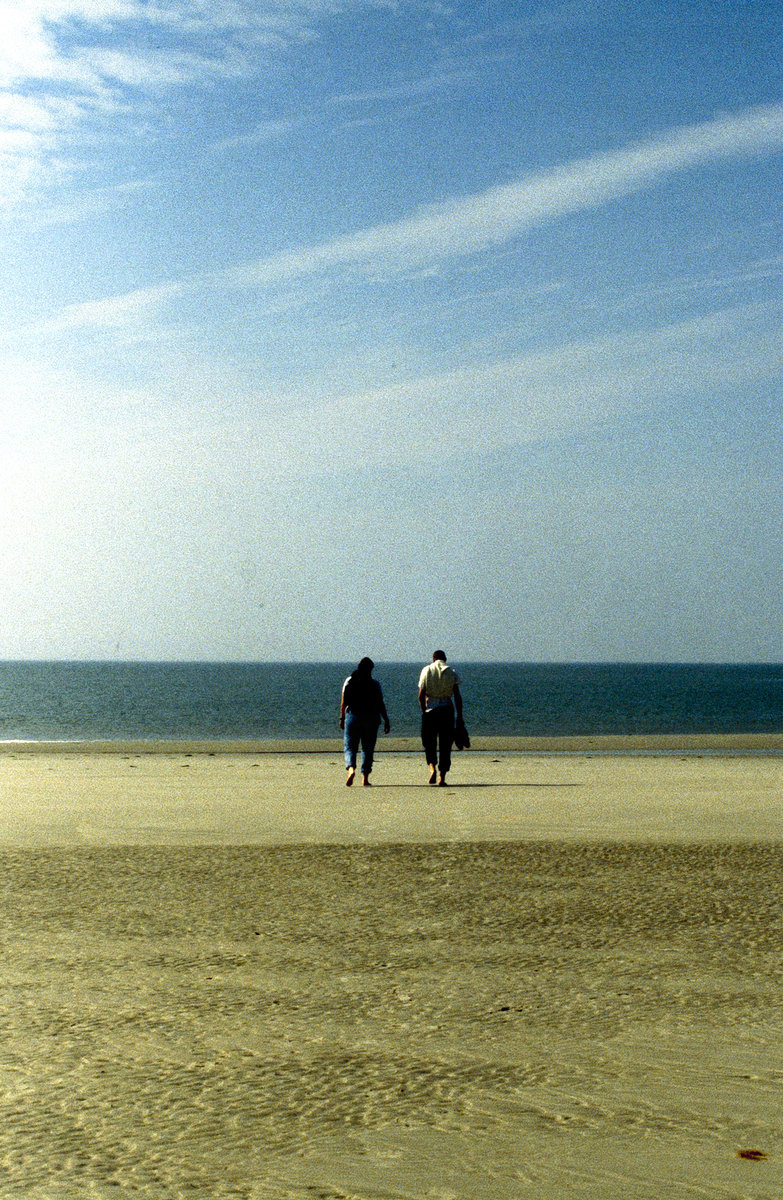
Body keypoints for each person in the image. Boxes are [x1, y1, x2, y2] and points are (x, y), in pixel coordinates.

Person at [339, 658, 390, 787]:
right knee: (368, 748)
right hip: (371, 717)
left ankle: (351, 769)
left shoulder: (349, 681)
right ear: (370, 669)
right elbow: (380, 703)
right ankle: (365, 778)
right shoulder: (375, 684)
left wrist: (342, 718)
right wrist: (386, 719)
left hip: (353, 716)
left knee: (350, 746)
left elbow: (344, 701)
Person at [418, 650, 463, 787]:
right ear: (445, 659)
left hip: (430, 710)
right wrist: (459, 715)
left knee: (429, 742)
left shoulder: (426, 670)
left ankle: (432, 767)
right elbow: (457, 696)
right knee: (445, 744)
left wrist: (423, 711)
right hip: (446, 710)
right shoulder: (451, 672)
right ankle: (442, 776)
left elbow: (421, 695)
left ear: (433, 658)